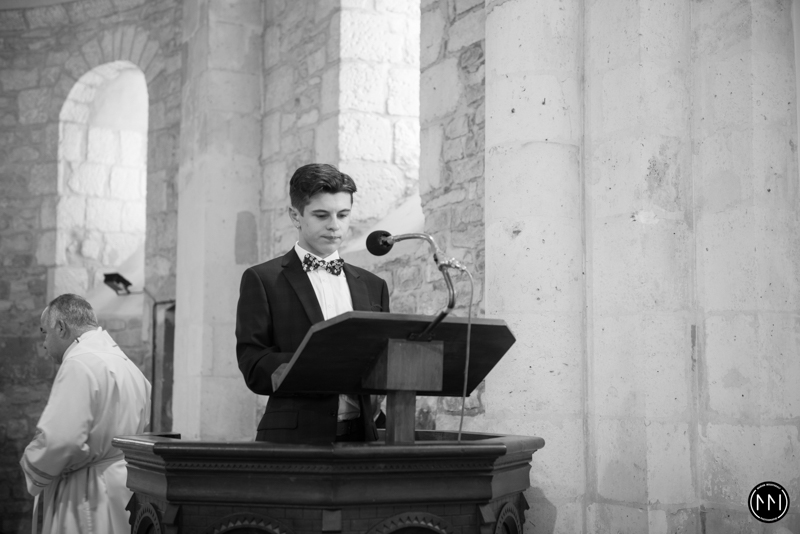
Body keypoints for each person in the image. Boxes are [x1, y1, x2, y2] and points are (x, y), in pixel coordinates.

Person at [236, 163, 390, 444]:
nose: (335, 225)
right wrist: (323, 365)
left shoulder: (374, 285)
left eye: (343, 214)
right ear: (295, 216)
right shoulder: (262, 279)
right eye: (321, 215)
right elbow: (253, 364)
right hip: (293, 439)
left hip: (363, 439)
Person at [20, 294, 151, 534]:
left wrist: (31, 459)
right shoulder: (129, 366)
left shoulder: (79, 363)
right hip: (123, 490)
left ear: (61, 328)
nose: (44, 344)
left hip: (86, 497)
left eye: (44, 333)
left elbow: (61, 441)